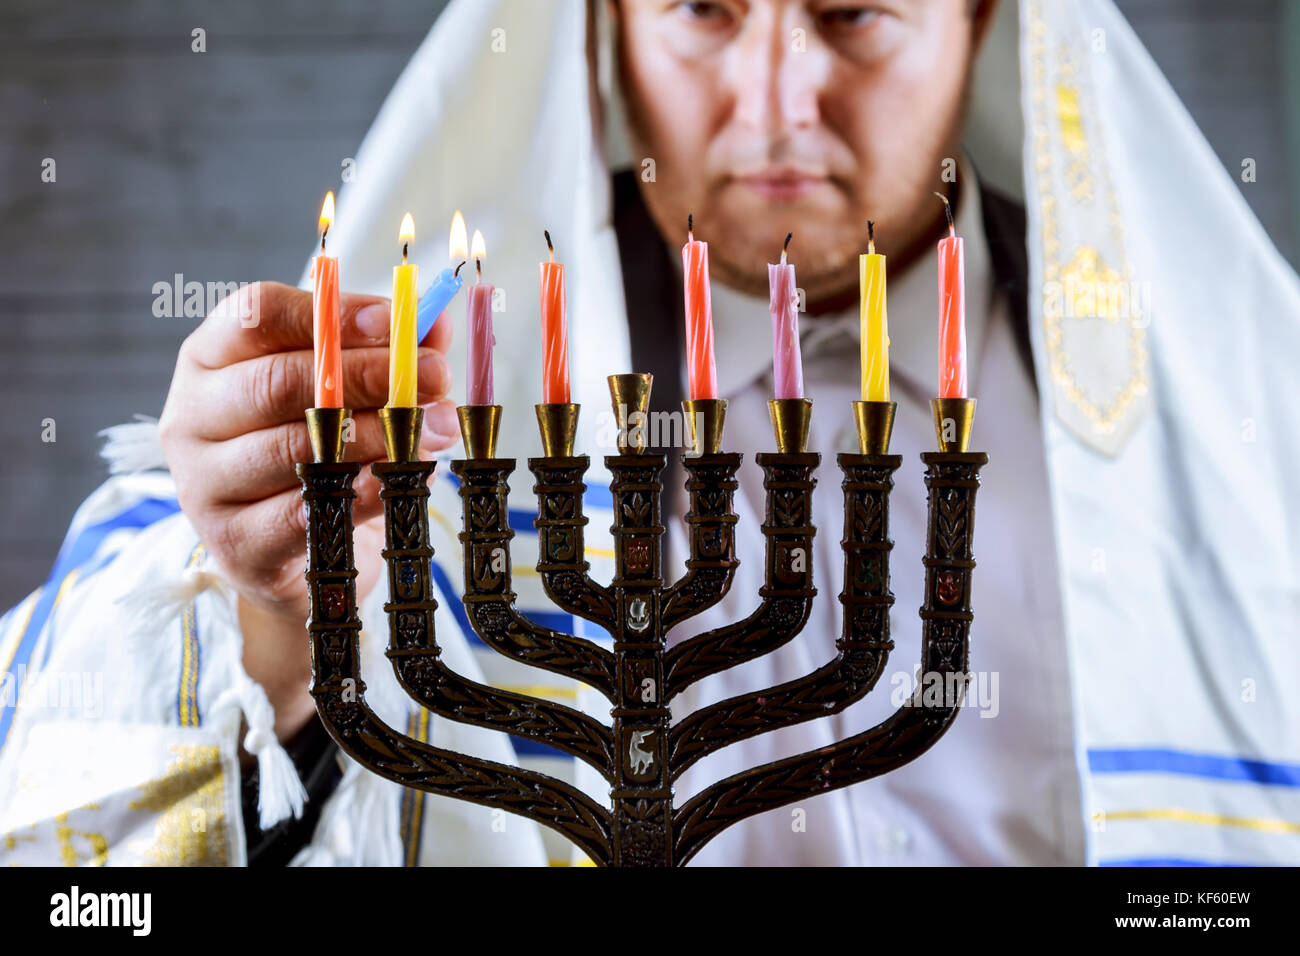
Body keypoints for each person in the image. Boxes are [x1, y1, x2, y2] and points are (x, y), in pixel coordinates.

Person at [1, 0, 1297, 866]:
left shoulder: (1217, 431)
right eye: (702, 8)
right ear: (598, 28)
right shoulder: (448, 399)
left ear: (991, 23)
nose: (780, 98)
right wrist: (274, 619)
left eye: (855, 11)